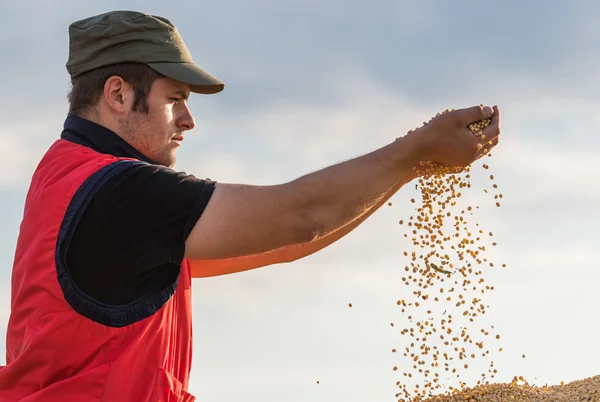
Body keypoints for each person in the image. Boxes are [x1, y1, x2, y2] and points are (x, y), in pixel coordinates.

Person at [0, 9, 501, 402]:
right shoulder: (122, 194)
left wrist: (415, 165)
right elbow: (300, 216)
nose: (189, 120)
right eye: (176, 97)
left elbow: (285, 242)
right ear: (117, 94)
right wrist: (414, 150)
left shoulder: (67, 178)